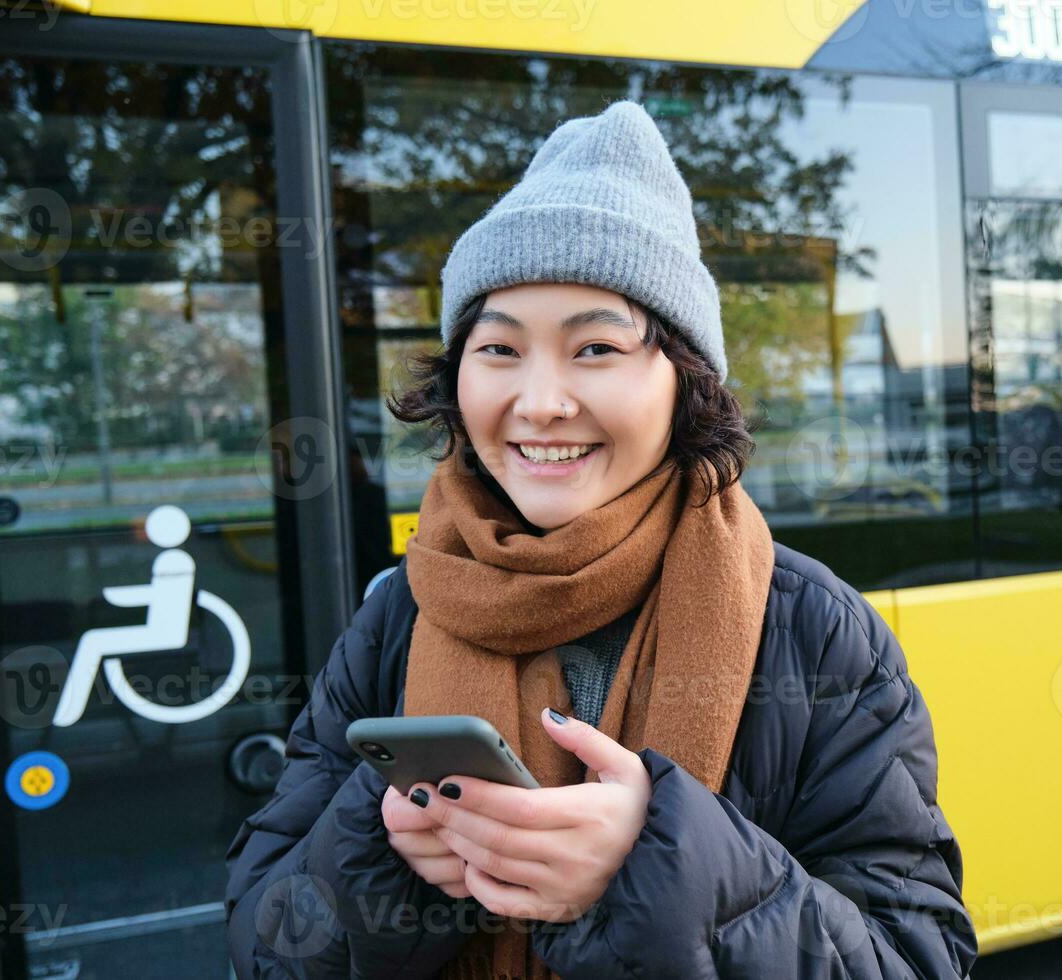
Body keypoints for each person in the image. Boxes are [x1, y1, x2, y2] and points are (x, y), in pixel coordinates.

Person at [224, 99, 977, 979]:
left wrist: (656, 871)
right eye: (499, 350)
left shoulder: (815, 632)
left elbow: (917, 958)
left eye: (594, 350)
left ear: (684, 383)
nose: (539, 401)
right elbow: (261, 943)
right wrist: (379, 858)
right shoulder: (398, 611)